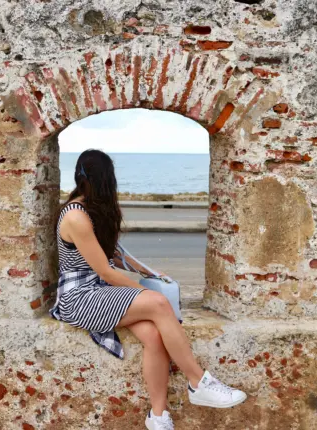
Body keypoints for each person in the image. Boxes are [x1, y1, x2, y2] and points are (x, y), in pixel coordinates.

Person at [50, 149, 246, 430]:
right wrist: (146, 294)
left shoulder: (93, 210)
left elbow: (115, 256)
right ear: (106, 179)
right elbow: (106, 271)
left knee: (154, 336)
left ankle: (158, 417)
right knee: (158, 303)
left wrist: (149, 272)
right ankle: (198, 382)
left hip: (100, 291)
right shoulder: (75, 216)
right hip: (80, 297)